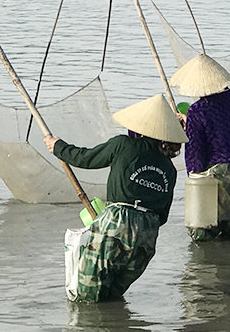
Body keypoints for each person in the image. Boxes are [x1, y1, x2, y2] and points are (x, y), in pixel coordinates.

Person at [44, 95, 186, 303]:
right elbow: (162, 216)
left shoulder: (123, 145)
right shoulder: (169, 169)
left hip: (118, 221)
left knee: (87, 295)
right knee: (112, 295)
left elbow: (85, 158)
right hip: (148, 234)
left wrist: (58, 147)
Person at [170, 54, 230, 241]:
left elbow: (195, 157)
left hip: (222, 175)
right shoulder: (229, 99)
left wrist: (194, 180)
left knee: (202, 235)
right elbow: (218, 125)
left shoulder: (196, 111)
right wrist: (189, 121)